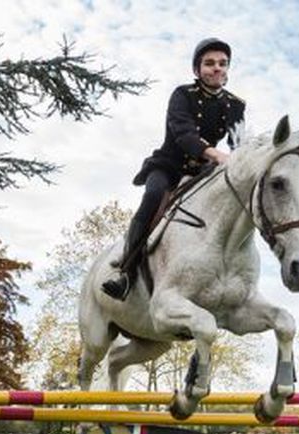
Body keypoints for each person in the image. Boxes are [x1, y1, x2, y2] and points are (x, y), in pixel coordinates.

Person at [101, 37, 246, 300]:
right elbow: (183, 133)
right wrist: (217, 155)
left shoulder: (236, 105)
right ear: (197, 70)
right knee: (154, 195)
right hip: (168, 166)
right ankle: (125, 270)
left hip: (203, 172)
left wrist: (242, 163)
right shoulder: (182, 95)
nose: (217, 68)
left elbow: (238, 144)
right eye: (209, 63)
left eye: (223, 64)